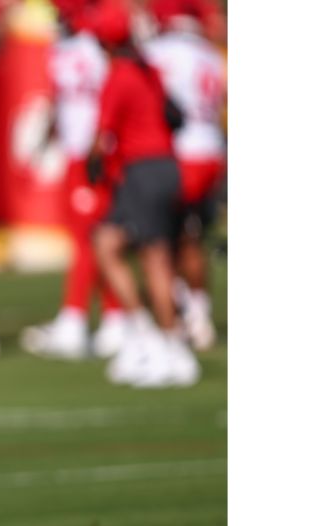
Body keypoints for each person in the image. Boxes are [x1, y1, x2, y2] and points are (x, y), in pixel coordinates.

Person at [88, 0, 197, 387]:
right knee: (106, 243)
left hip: (143, 169)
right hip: (165, 166)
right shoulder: (147, 68)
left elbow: (102, 137)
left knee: (155, 259)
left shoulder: (120, 74)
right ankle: (148, 336)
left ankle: (171, 349)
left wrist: (92, 167)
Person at [21, 0, 127, 361]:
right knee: (91, 236)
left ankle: (78, 319)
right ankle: (113, 319)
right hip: (77, 151)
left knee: (90, 238)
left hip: (93, 154)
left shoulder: (91, 47)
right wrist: (44, 140)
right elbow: (59, 101)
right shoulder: (68, 47)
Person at [144, 0, 226, 352]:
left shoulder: (159, 52)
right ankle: (197, 312)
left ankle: (186, 316)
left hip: (181, 153)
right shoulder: (209, 53)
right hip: (212, 150)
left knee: (168, 240)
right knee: (191, 236)